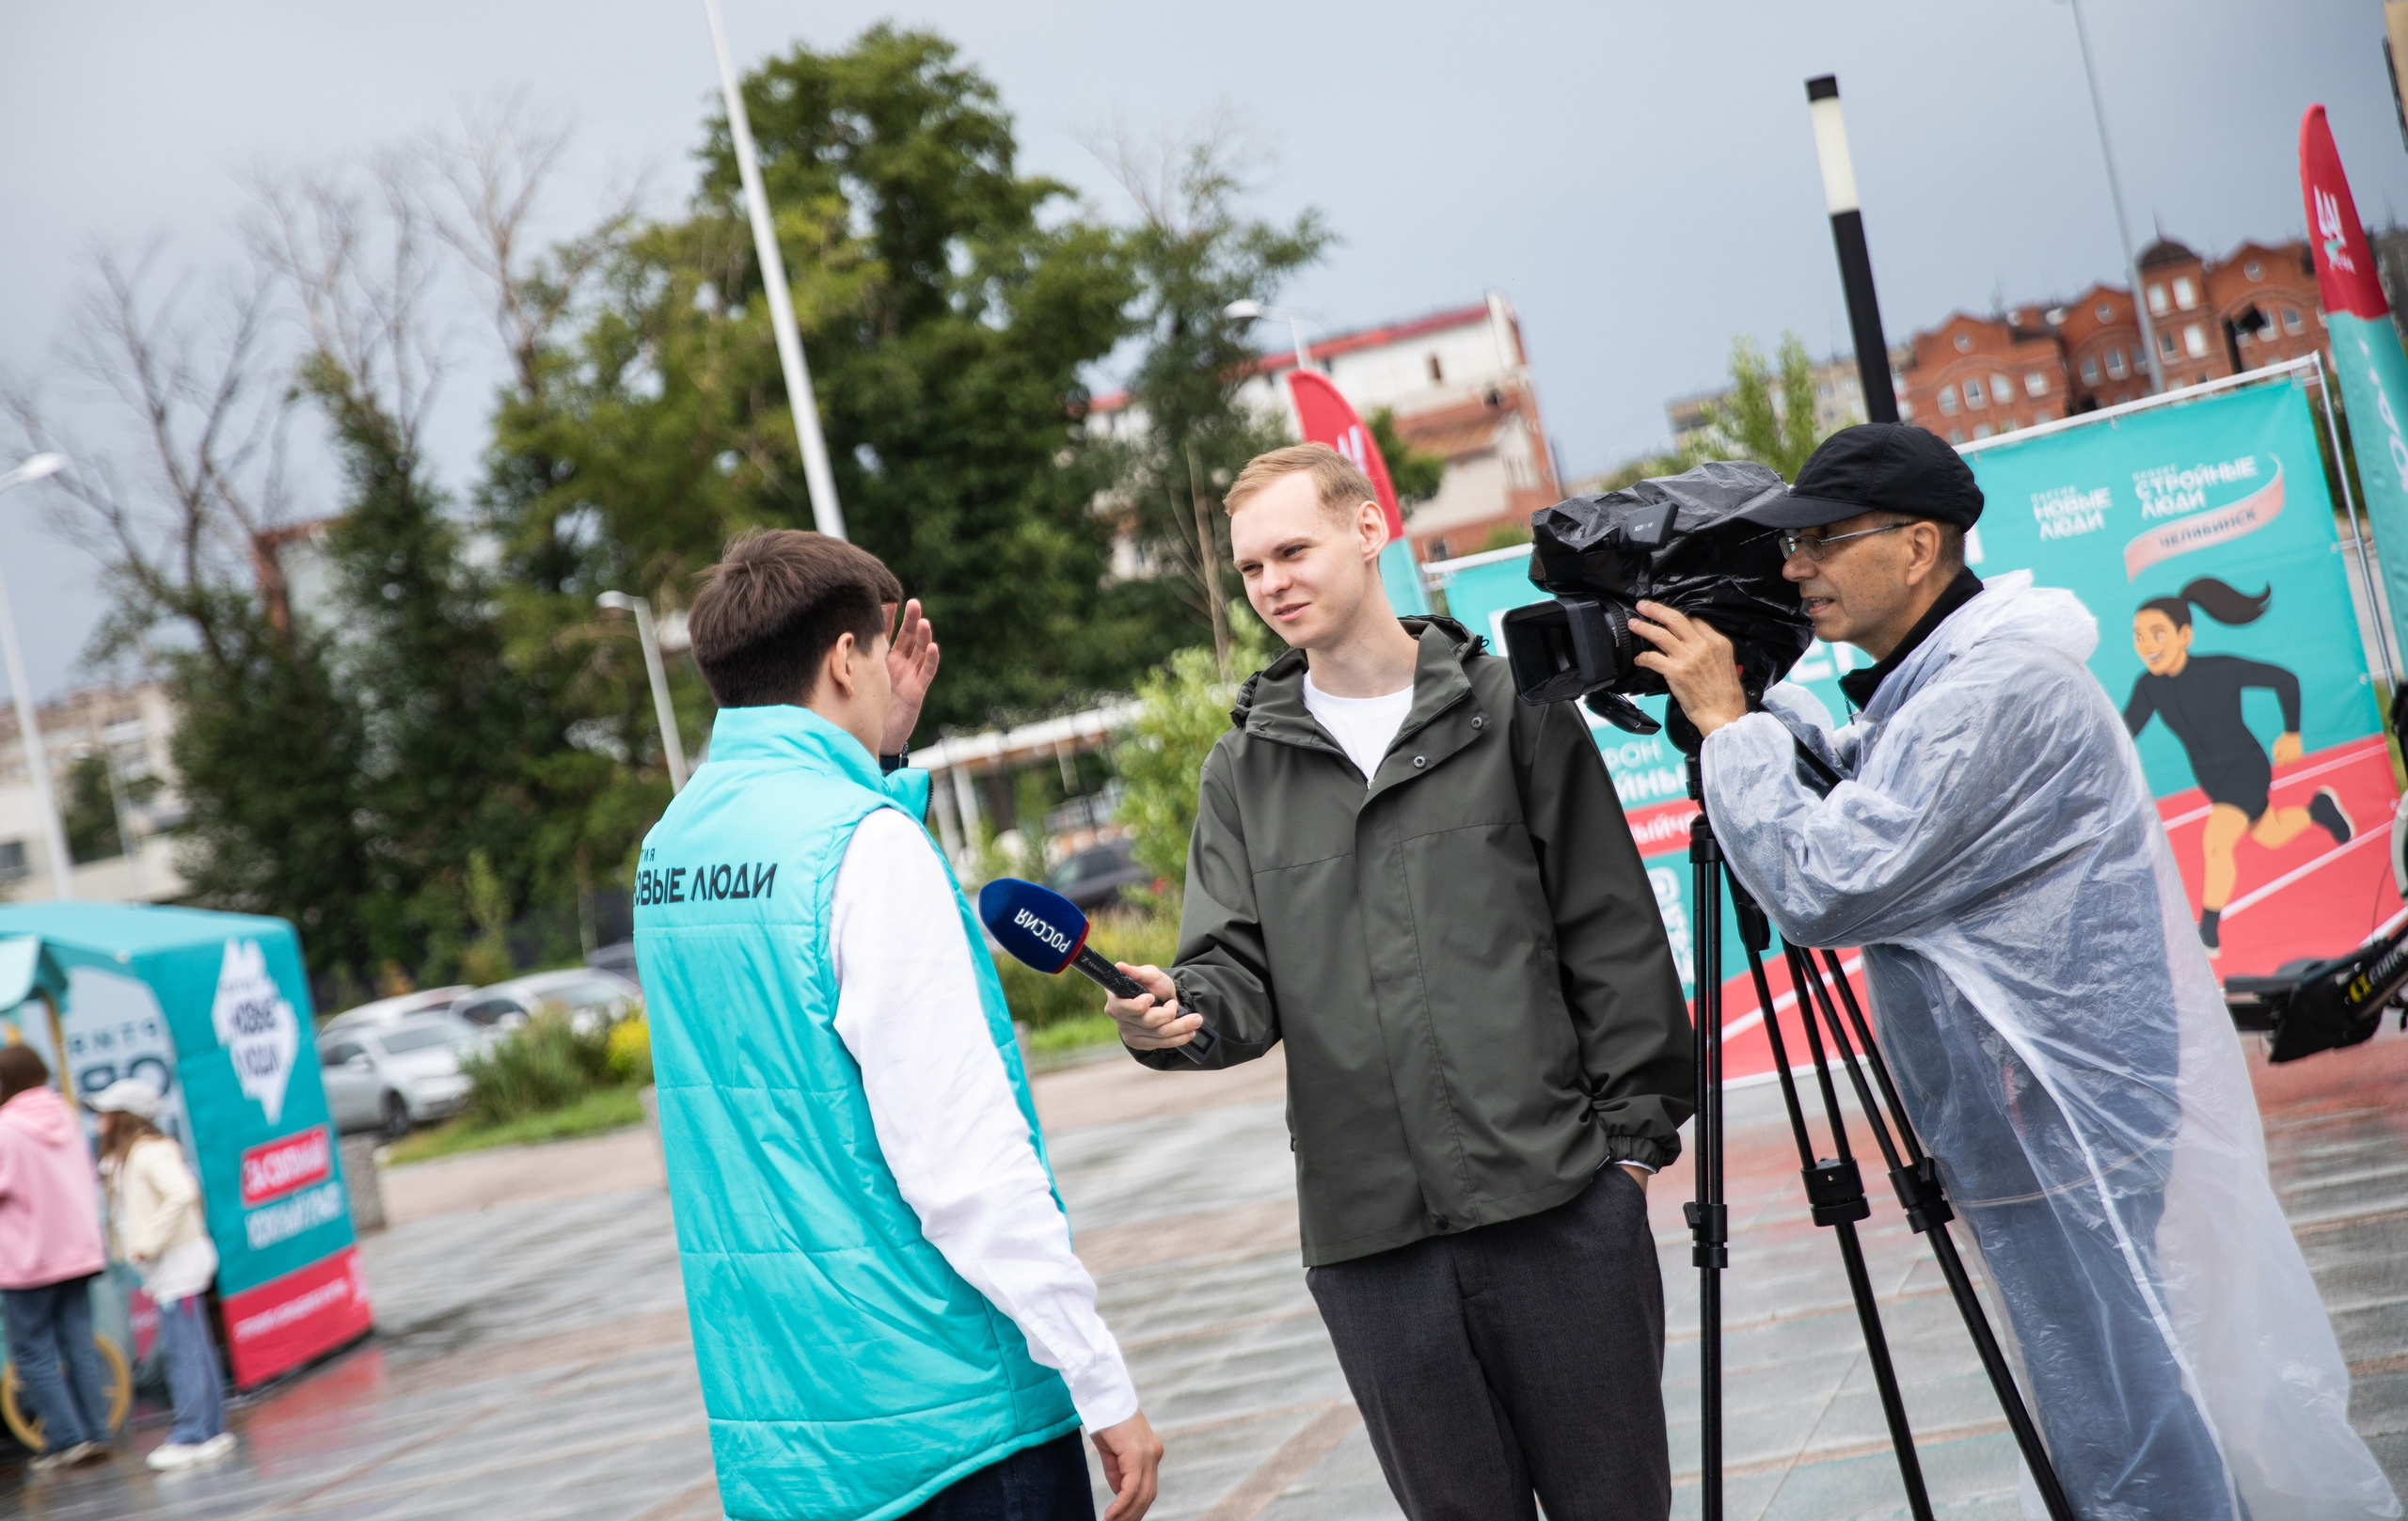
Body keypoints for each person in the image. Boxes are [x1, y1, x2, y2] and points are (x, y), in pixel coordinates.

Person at [1629, 422, 2398, 1520]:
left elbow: (1828, 883)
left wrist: (1725, 729)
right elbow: (1859, 789)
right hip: (2032, 1120)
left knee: (2130, 1416)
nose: (1793, 568)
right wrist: (1756, 708)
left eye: (1819, 542)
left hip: (2062, 1122)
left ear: (1917, 547)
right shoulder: (1935, 681)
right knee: (2107, 1401)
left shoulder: (1999, 691)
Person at [1104, 443, 1692, 1521]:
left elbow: (1610, 937)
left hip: (1558, 1208)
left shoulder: (1512, 710)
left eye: (1293, 549)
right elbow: (1229, 973)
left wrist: (1628, 1162)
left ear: (1368, 530)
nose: (1272, 583)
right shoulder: (1242, 770)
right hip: (1372, 1249)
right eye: (1250, 570)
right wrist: (1172, 1015)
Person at [633, 530, 1163, 1521]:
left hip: (789, 1438)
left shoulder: (670, 850)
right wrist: (1101, 1382)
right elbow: (962, 1159)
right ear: (844, 658)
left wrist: (876, 753)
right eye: (876, 652)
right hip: (949, 1413)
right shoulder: (863, 846)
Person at [2125, 577, 2351, 956]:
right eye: (2139, 636)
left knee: (2216, 842)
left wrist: (2292, 733)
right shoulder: (2150, 686)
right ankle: (2317, 810)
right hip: (2212, 779)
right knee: (2271, 833)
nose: (2147, 646)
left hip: (2245, 767)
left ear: (2185, 635)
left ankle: (2208, 933)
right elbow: (2126, 729)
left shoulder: (2218, 669)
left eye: (2158, 634)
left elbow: (2285, 679)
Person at [89, 1077, 232, 1472]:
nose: (98, 1119)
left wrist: (148, 1241)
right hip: (173, 1264)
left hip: (176, 1264)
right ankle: (207, 1428)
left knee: (184, 1351)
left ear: (124, 1117)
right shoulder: (137, 1154)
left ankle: (192, 1432)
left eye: (106, 1111)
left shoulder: (149, 1153)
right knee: (193, 1348)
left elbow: (181, 1192)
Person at [0, 1045, 114, 1472]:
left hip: (29, 1260)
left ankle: (66, 1438)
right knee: (78, 1344)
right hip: (79, 1252)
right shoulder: (64, 1115)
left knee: (30, 1352)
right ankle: (97, 1432)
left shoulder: (7, 1127)